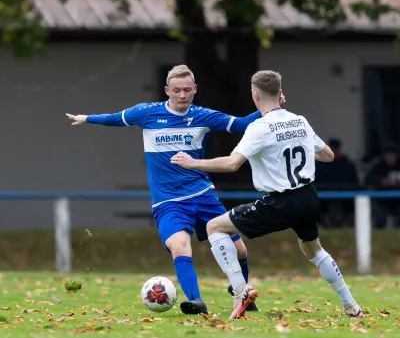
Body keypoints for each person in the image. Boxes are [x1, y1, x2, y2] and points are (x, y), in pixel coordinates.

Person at [66, 65, 286, 315]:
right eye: (177, 90)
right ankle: (196, 301)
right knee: (180, 246)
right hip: (168, 202)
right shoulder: (147, 113)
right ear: (167, 90)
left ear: (194, 90)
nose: (182, 95)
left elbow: (242, 125)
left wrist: (272, 108)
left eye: (187, 90)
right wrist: (87, 118)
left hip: (202, 195)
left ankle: (242, 292)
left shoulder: (203, 115)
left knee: (239, 249)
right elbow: (116, 118)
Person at [171, 70, 363, 320]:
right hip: (308, 197)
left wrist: (192, 163)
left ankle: (241, 290)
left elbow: (231, 164)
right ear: (279, 92)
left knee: (214, 227)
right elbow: (328, 155)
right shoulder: (300, 121)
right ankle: (351, 305)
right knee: (314, 250)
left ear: (255, 95)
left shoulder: (259, 128)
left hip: (280, 201)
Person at [365, 146, 400, 228]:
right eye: (388, 156)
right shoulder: (378, 166)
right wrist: (381, 181)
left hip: (398, 200)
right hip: (381, 200)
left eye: (392, 156)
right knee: (380, 217)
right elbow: (368, 179)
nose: (390, 158)